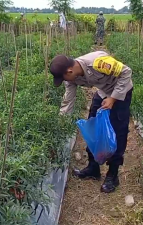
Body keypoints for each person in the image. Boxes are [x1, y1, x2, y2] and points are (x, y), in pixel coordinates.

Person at [49, 51, 133, 193]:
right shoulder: (71, 78)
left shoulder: (97, 63)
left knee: (118, 131)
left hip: (120, 92)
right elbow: (68, 100)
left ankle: (112, 175)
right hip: (102, 92)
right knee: (92, 127)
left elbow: (126, 72)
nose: (65, 81)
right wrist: (61, 124)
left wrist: (112, 99)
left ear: (69, 71)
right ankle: (93, 168)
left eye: (63, 78)